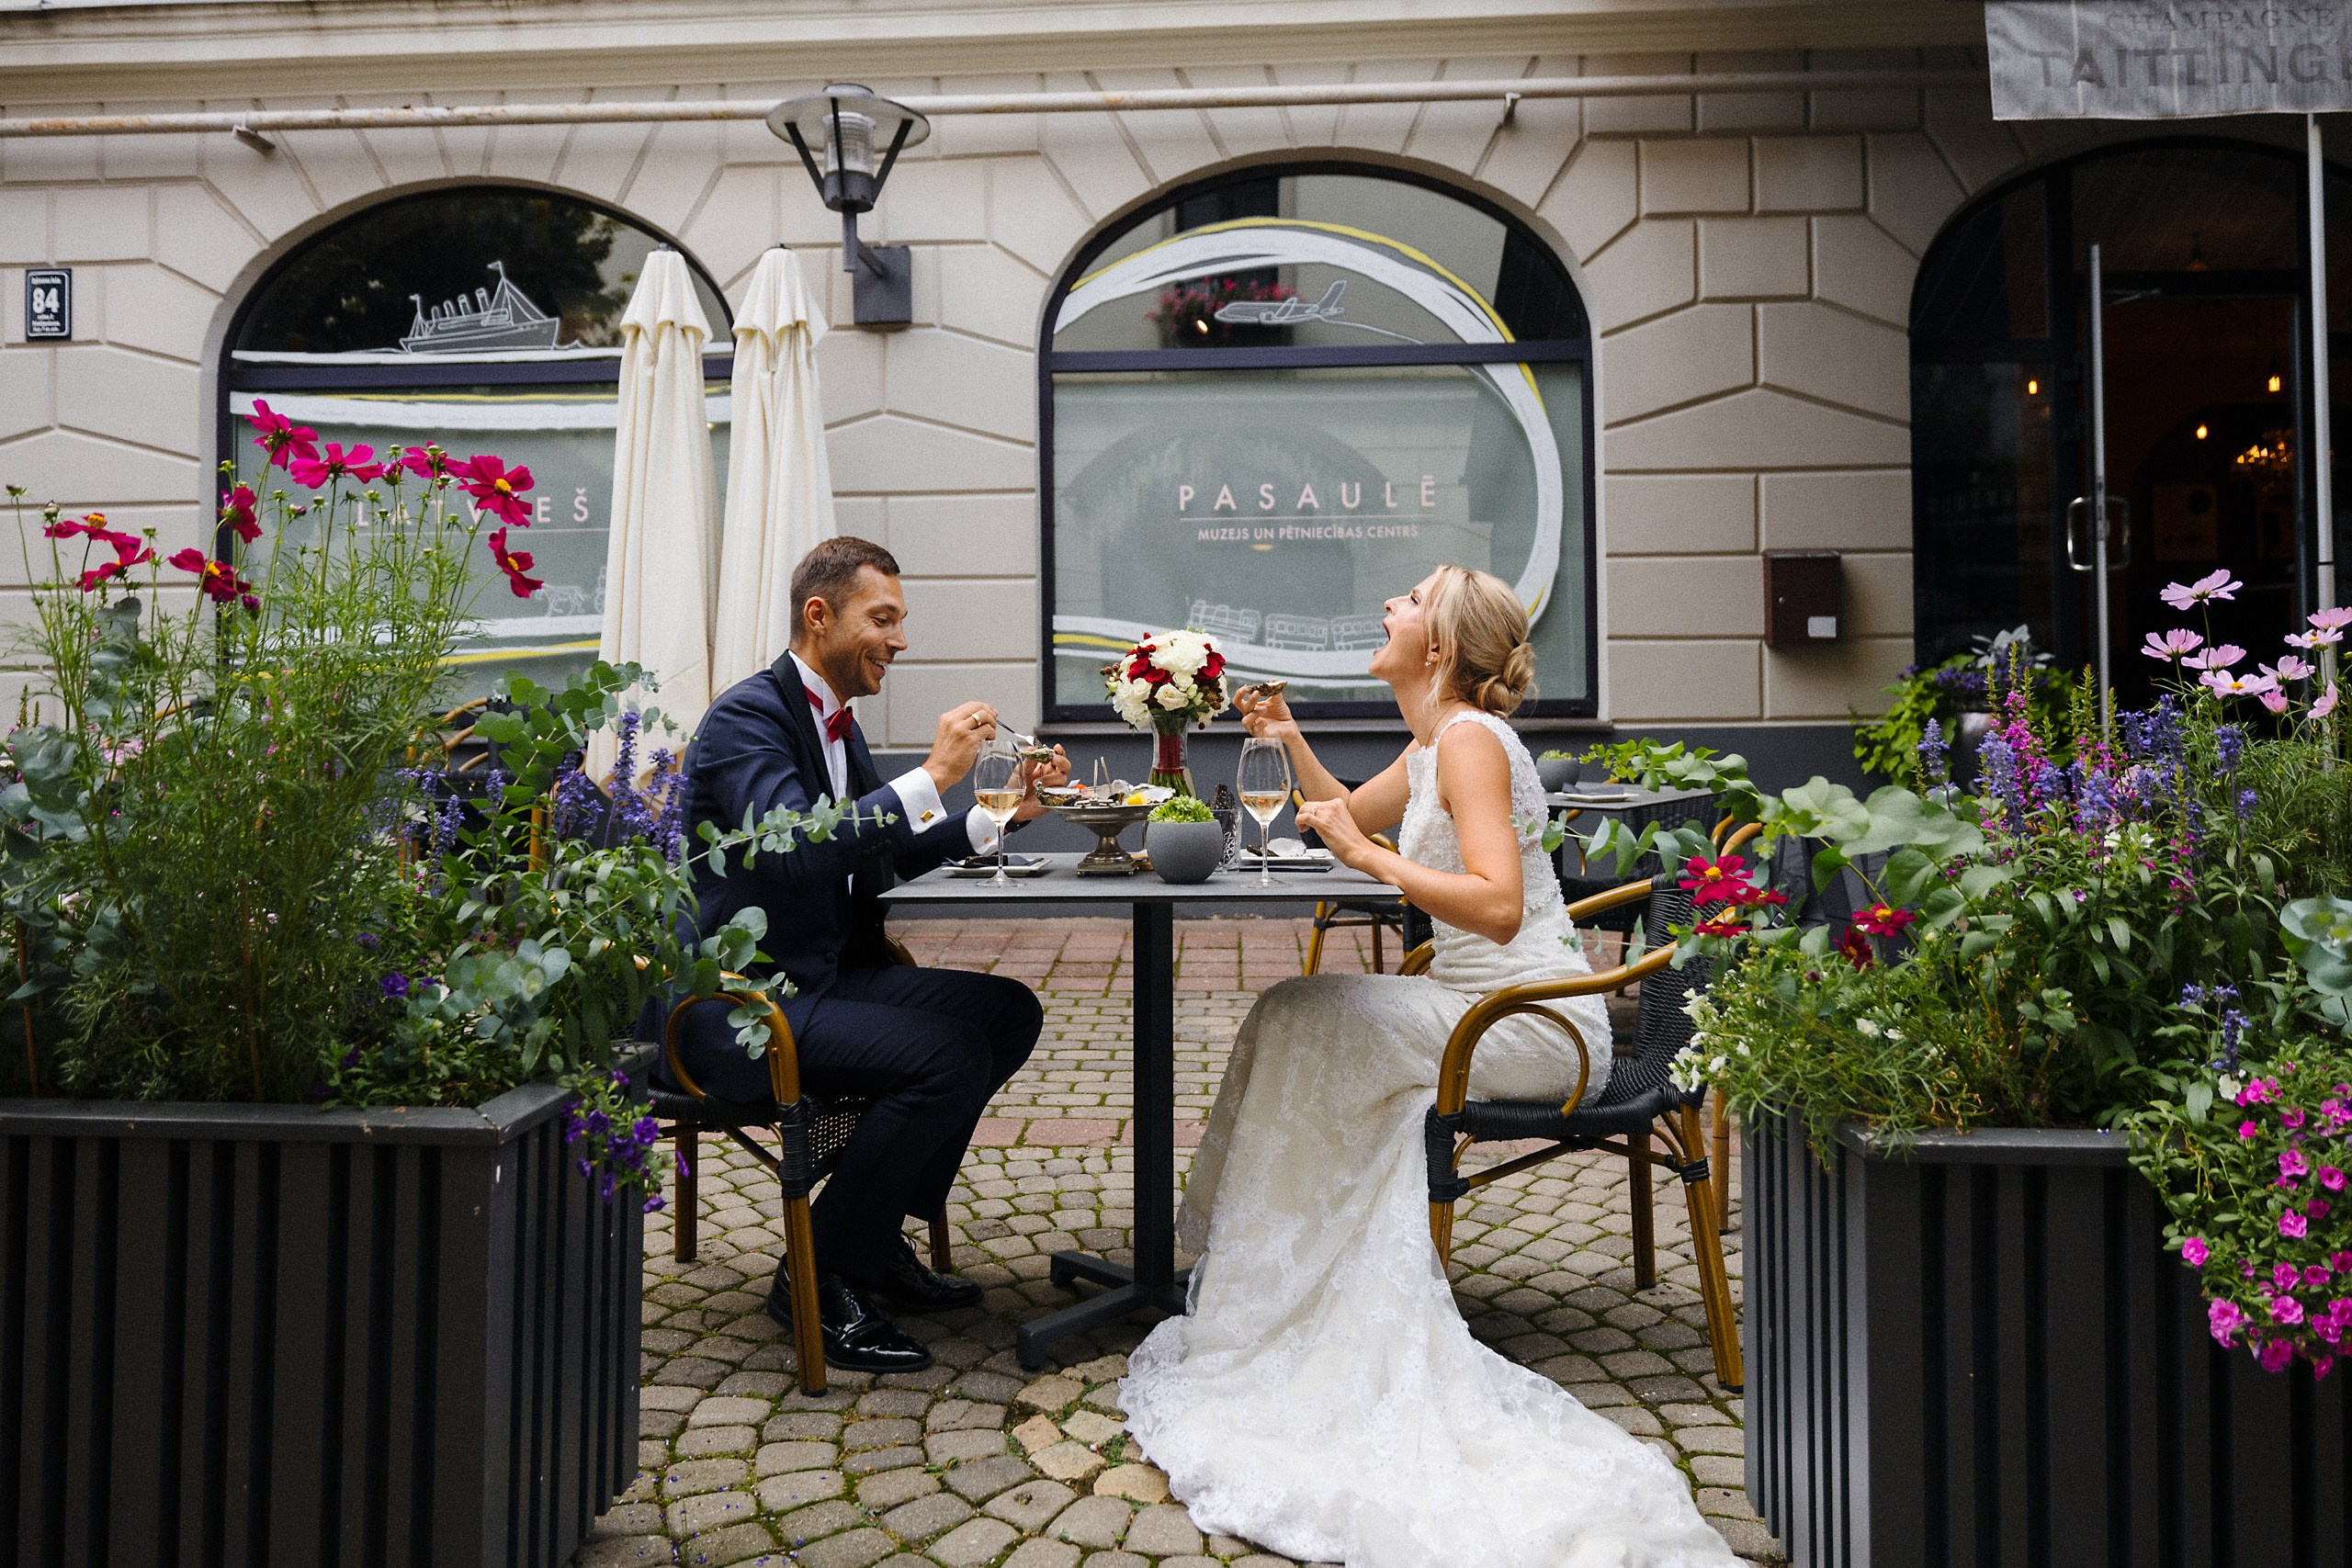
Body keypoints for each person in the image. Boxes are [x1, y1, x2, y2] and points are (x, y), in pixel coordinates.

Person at [1120, 565, 1739, 1567]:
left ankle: (1275, 1293)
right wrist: (1288, 744)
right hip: (1473, 1004)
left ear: (1441, 645)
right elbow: (1348, 815)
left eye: (1408, 601)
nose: (1387, 609)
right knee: (1295, 1013)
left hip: (1530, 1020)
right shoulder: (1432, 741)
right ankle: (1279, 1284)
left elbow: (1495, 905)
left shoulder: (1470, 744)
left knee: (1300, 1019)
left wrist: (1369, 867)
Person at [659, 536, 1068, 1374]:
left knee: (1006, 1013)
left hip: (824, 980)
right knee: (945, 1055)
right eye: (883, 618)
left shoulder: (836, 725)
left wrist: (1002, 814)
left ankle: (872, 1235)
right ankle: (821, 1272)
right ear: (820, 616)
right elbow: (795, 851)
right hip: (739, 1006)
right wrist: (932, 774)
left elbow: (875, 855)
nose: (900, 640)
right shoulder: (749, 718)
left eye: (900, 620)